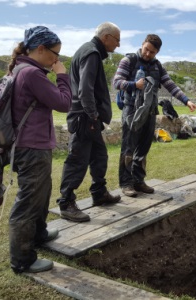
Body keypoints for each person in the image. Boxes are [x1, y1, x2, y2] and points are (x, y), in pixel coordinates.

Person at [8, 26, 72, 273]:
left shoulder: (21, 70)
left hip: (30, 144)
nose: (56, 60)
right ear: (41, 49)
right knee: (28, 201)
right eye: (55, 54)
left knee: (40, 194)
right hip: (31, 146)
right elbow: (63, 103)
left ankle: (38, 234)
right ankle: (22, 260)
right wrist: (62, 76)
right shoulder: (32, 74)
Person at [113, 34, 196, 197]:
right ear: (142, 44)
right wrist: (133, 85)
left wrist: (186, 101)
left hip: (150, 111)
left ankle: (139, 181)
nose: (147, 54)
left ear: (157, 52)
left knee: (143, 148)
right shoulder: (128, 61)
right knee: (128, 148)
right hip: (131, 111)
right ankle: (126, 183)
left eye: (152, 52)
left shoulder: (157, 66)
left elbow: (170, 84)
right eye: (146, 50)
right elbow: (116, 82)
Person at [57, 22, 121, 222]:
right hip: (85, 118)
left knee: (99, 155)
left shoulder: (88, 50)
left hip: (87, 118)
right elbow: (85, 90)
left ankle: (99, 192)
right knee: (77, 160)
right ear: (106, 37)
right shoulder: (92, 53)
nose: (118, 45)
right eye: (117, 40)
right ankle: (66, 203)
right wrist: (93, 115)